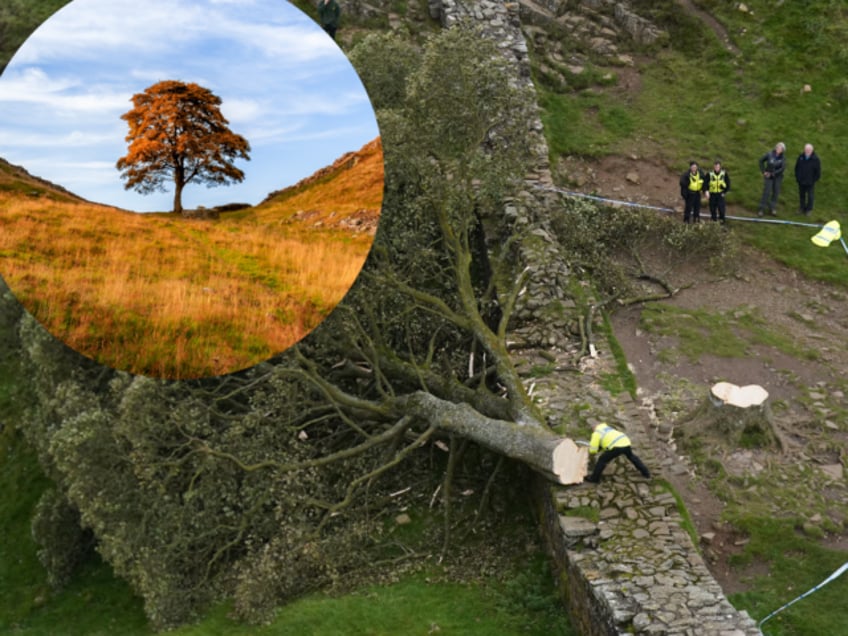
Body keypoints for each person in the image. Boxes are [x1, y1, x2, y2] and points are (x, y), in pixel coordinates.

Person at [584, 422, 651, 483]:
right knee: (632, 457)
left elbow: (593, 450)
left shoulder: (596, 433)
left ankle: (594, 479)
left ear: (594, 428)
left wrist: (590, 449)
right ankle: (646, 473)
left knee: (602, 460)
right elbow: (606, 441)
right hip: (625, 442)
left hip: (616, 447)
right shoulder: (607, 428)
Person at [757, 142, 786, 217]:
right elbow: (761, 161)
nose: (778, 149)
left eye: (780, 148)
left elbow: (782, 168)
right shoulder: (769, 154)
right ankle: (761, 209)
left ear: (783, 150)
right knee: (766, 192)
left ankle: (772, 208)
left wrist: (774, 173)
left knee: (775, 192)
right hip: (768, 176)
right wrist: (763, 171)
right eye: (777, 147)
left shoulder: (783, 158)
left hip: (777, 177)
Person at [794, 143, 821, 216]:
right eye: (806, 149)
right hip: (801, 180)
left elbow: (818, 172)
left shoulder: (816, 159)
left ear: (812, 150)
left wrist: (813, 180)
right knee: (801, 195)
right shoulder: (801, 157)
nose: (807, 151)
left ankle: (809, 209)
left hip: (810, 182)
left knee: (810, 196)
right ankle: (802, 208)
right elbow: (796, 168)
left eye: (809, 150)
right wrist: (797, 177)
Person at [707, 159, 730, 224]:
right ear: (713, 167)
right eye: (715, 167)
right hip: (712, 195)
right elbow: (705, 184)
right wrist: (706, 192)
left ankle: (722, 224)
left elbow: (728, 184)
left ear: (720, 167)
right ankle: (714, 224)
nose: (717, 168)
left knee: (722, 210)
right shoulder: (709, 174)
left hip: (720, 195)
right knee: (712, 210)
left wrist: (724, 192)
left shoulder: (724, 174)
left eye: (718, 167)